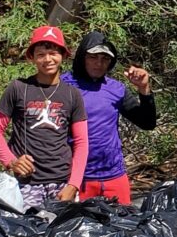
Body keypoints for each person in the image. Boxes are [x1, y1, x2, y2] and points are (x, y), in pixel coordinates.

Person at [0, 26, 88, 209]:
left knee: (61, 235)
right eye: (41, 54)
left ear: (63, 56)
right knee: (28, 234)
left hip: (62, 183)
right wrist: (11, 161)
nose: (47, 59)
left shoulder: (72, 94)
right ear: (31, 57)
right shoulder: (18, 88)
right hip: (27, 183)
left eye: (53, 53)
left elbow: (81, 142)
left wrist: (73, 184)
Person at [64, 31, 157, 204]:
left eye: (105, 59)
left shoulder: (116, 89)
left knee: (124, 228)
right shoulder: (63, 86)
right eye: (93, 57)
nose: (99, 64)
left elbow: (147, 122)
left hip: (114, 177)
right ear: (82, 56)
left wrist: (144, 90)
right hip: (78, 180)